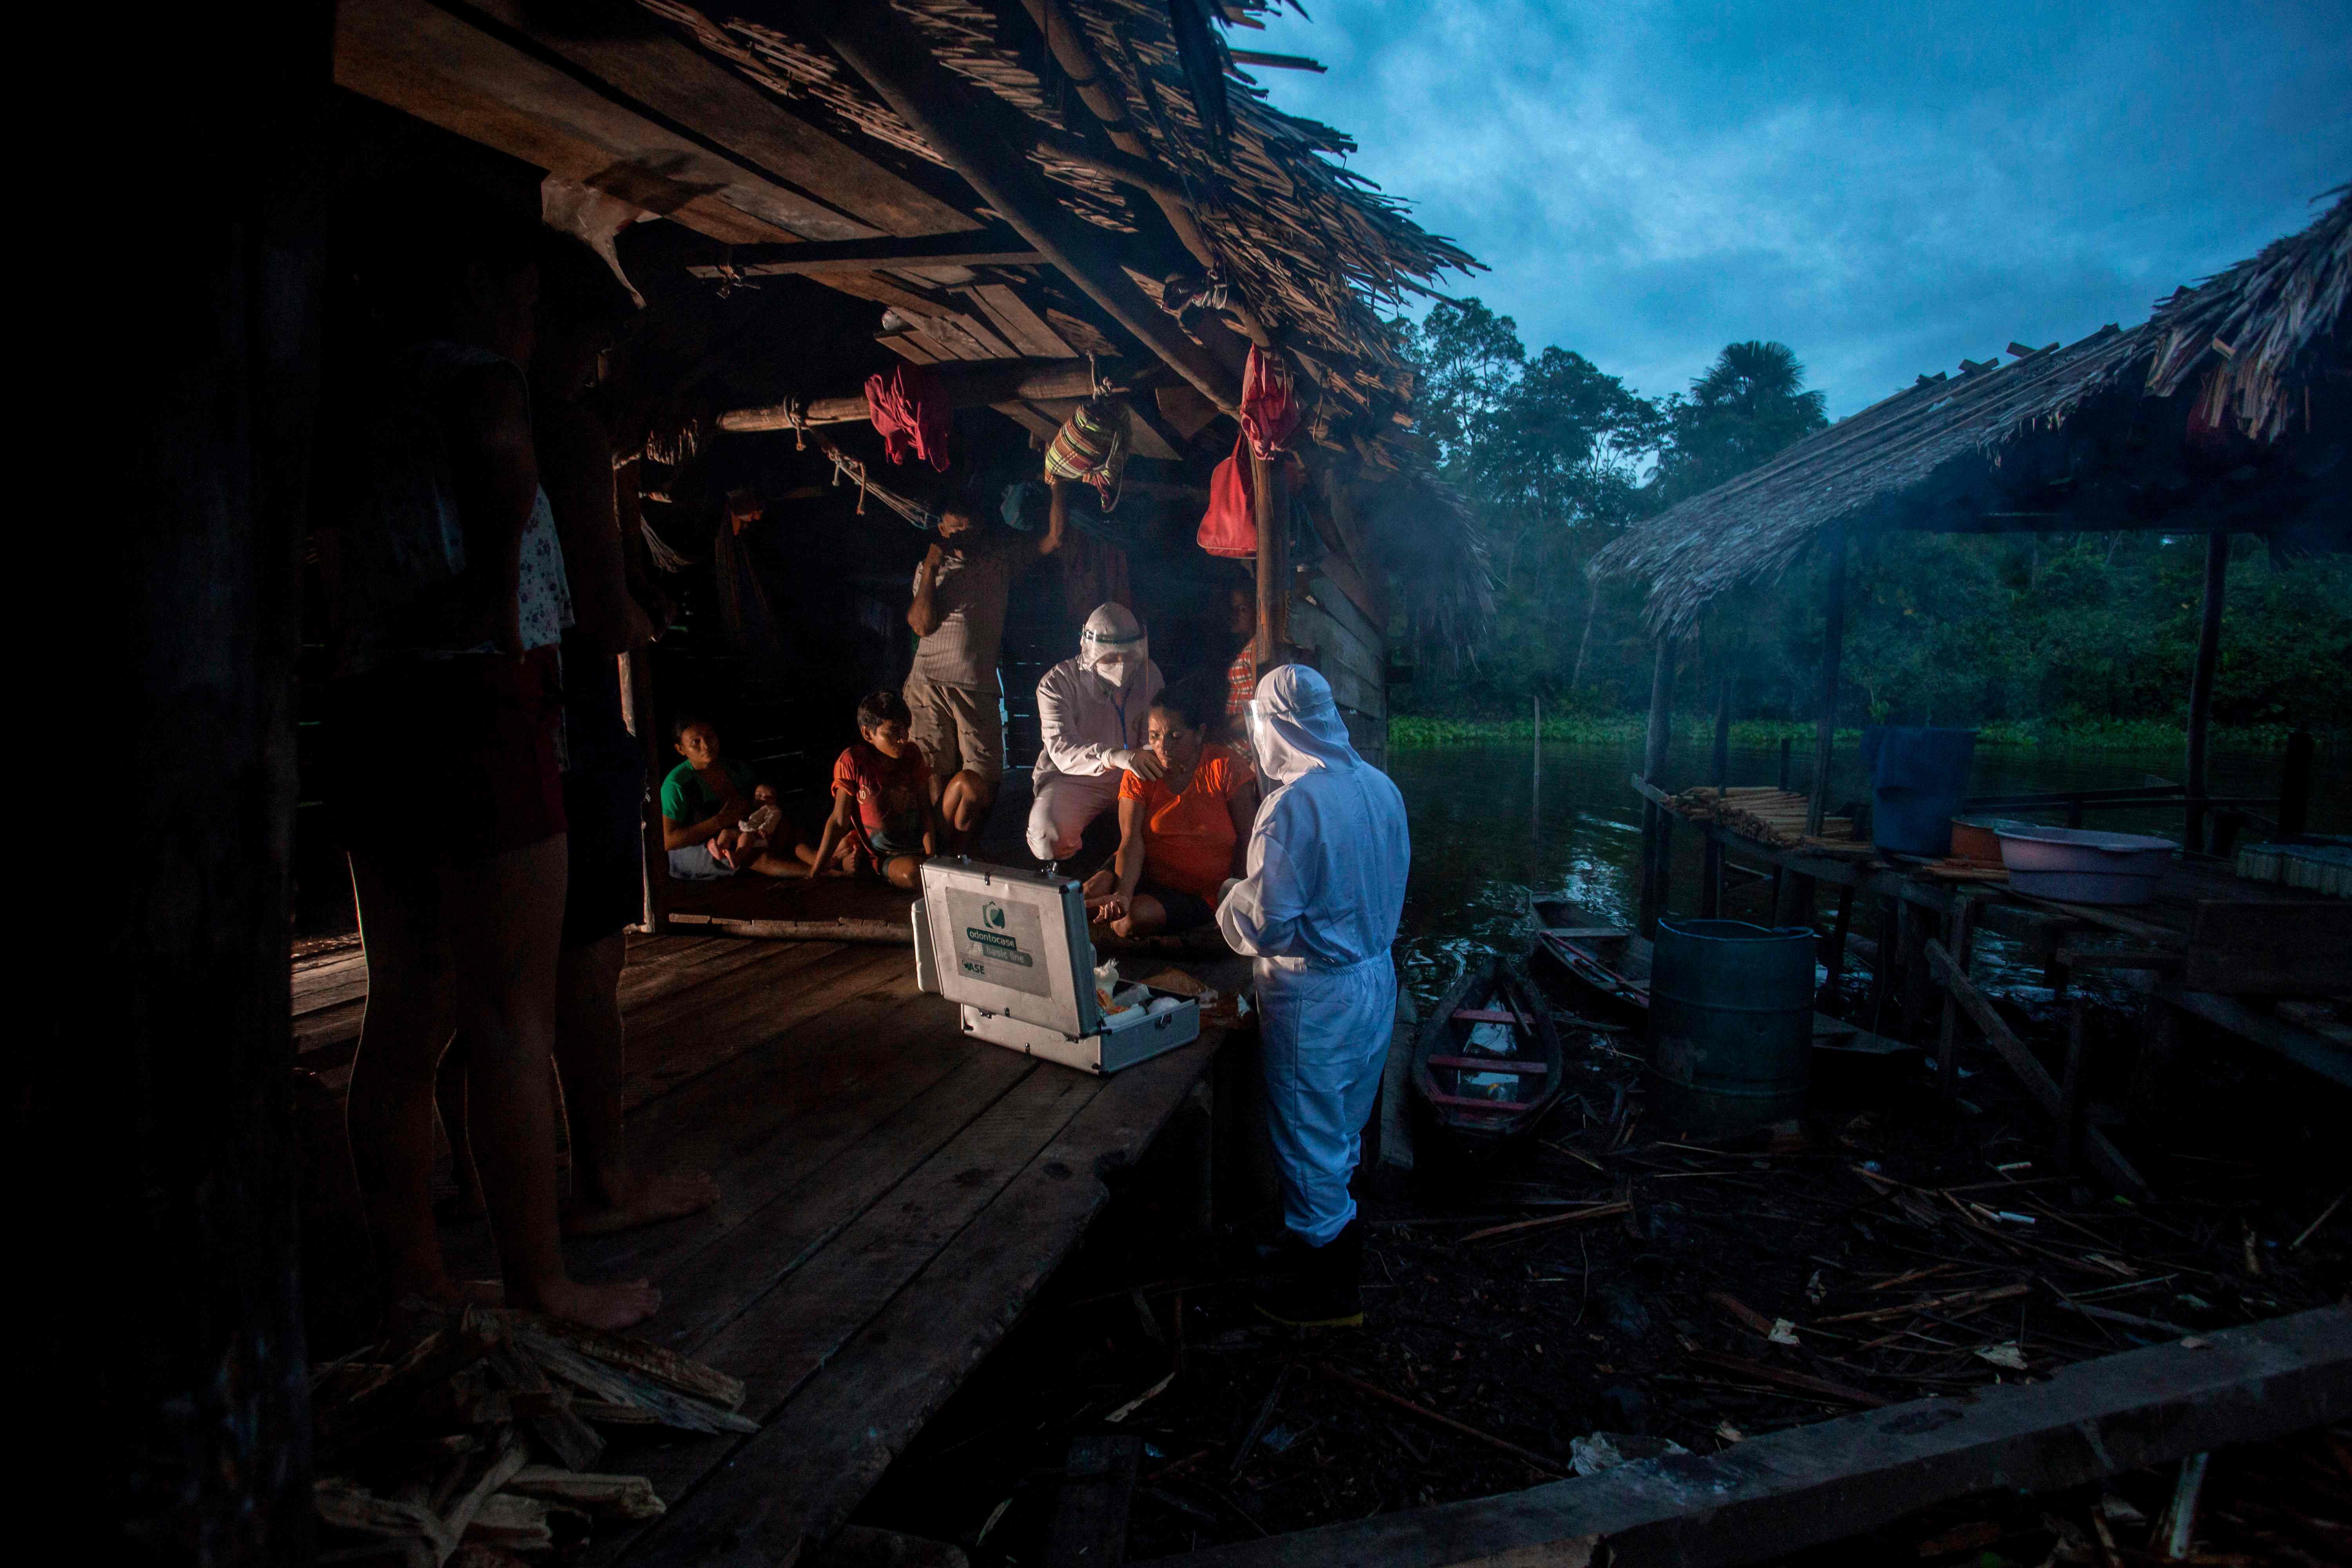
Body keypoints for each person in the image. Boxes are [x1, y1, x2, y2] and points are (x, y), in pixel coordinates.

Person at [323, 211, 657, 1330]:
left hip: (378, 696)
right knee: (513, 1012)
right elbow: (503, 467)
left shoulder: (360, 390)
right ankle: (540, 1280)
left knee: (403, 1010)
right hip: (482, 689)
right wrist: (500, 590)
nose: (528, 321)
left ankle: (418, 1273)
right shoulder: (483, 382)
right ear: (474, 290)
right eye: (518, 298)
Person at [1216, 665, 1410, 1329]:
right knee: (1343, 1125)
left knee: (1307, 1136)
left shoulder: (1293, 805)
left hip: (1316, 996)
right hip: (1374, 978)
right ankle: (1317, 1233)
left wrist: (1228, 903)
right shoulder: (1380, 788)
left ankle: (1326, 1294)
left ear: (1276, 729)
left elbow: (1269, 921)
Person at [905, 485, 1066, 850]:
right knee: (932, 774)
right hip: (927, 684)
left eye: (970, 529)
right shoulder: (930, 569)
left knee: (984, 778)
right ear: (943, 530)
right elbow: (922, 625)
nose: (963, 536)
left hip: (975, 685)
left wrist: (1057, 484)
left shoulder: (998, 561)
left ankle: (964, 851)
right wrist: (931, 566)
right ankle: (939, 854)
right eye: (955, 530)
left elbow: (1054, 539)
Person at [1084, 675, 1258, 940]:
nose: (1162, 747)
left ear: (1199, 733)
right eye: (1154, 736)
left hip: (1200, 891)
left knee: (1128, 922)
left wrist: (1243, 901)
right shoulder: (1142, 770)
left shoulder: (1225, 767)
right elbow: (1130, 841)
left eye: (1175, 736)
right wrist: (1123, 894)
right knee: (1087, 896)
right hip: (1145, 868)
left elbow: (1249, 839)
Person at [1026, 602, 1166, 864]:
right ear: (1091, 651)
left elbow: (1156, 734)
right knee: (1048, 838)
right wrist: (1114, 757)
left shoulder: (1148, 675)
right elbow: (1061, 748)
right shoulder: (1057, 684)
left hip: (1136, 775)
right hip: (1075, 780)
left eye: (1128, 655)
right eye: (1111, 657)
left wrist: (1142, 759)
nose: (1122, 664)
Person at [803, 690, 942, 889]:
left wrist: (932, 858)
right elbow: (839, 820)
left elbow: (925, 811)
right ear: (868, 734)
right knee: (914, 874)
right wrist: (814, 874)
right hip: (891, 856)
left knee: (967, 785)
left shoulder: (912, 755)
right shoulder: (853, 761)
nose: (903, 739)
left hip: (921, 845)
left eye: (905, 730)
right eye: (893, 732)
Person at [660, 716, 800, 879]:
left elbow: (755, 802)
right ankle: (818, 873)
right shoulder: (677, 784)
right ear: (681, 749)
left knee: (787, 832)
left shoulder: (733, 768)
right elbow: (668, 841)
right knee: (750, 856)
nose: (706, 746)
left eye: (710, 737)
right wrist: (719, 821)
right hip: (695, 849)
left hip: (736, 834)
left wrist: (762, 797)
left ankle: (823, 864)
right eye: (695, 743)